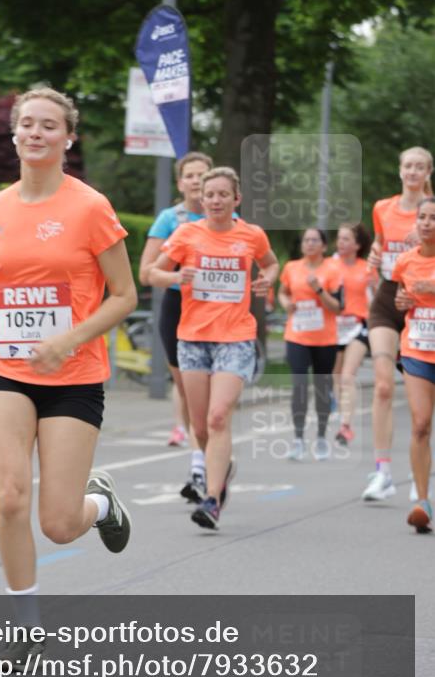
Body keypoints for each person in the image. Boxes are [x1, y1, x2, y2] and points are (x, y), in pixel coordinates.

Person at [0, 87, 136, 623]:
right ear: (14, 134)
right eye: (27, 123)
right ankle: (23, 624)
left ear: (68, 138)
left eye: (49, 125)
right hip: (5, 369)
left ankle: (101, 505)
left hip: (74, 375)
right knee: (8, 495)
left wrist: (68, 340)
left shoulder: (90, 208)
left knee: (57, 522)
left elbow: (125, 295)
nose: (36, 132)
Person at [149, 167, 279, 530]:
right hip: (192, 338)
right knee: (201, 426)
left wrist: (268, 278)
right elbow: (152, 273)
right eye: (211, 195)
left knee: (219, 417)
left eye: (224, 194)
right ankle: (219, 469)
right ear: (201, 200)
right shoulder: (186, 234)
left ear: (236, 199)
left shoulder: (251, 235)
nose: (216, 200)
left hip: (235, 336)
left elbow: (270, 263)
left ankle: (212, 499)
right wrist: (175, 277)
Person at [138, 151, 213, 501]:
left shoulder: (228, 218)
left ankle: (211, 456)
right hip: (179, 307)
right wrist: (178, 276)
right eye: (191, 175)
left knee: (215, 395)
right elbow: (146, 271)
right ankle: (199, 461)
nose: (196, 181)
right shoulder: (171, 219)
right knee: (188, 390)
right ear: (180, 182)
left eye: (203, 175)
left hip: (217, 311)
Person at [362, 146, 433, 502]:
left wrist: (422, 241)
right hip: (389, 298)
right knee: (384, 386)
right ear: (399, 169)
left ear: (428, 172)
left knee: (424, 407)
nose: (412, 172)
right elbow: (378, 245)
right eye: (407, 165)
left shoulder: (430, 213)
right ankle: (383, 472)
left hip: (425, 303)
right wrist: (376, 255)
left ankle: (424, 472)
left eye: (420, 167)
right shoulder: (382, 208)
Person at [278, 229, 342, 461]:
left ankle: (322, 437)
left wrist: (319, 290)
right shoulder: (291, 268)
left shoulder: (333, 270)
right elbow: (283, 293)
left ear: (324, 246)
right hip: (297, 335)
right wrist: (286, 304)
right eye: (306, 240)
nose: (310, 244)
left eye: (315, 240)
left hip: (325, 337)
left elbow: (337, 307)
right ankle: (297, 439)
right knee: (299, 385)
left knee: (322, 388)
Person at [392, 197, 435, 533]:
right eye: (422, 217)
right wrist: (402, 300)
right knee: (420, 424)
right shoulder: (405, 261)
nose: (426, 223)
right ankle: (423, 501)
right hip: (417, 348)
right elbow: (399, 299)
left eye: (433, 218)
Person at [331, 223, 377, 445]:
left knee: (348, 376)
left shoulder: (366, 268)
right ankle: (343, 415)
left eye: (346, 239)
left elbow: (377, 299)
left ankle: (345, 425)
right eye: (339, 238)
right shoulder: (330, 265)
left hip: (358, 326)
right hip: (333, 327)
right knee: (336, 377)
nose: (341, 243)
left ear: (357, 245)